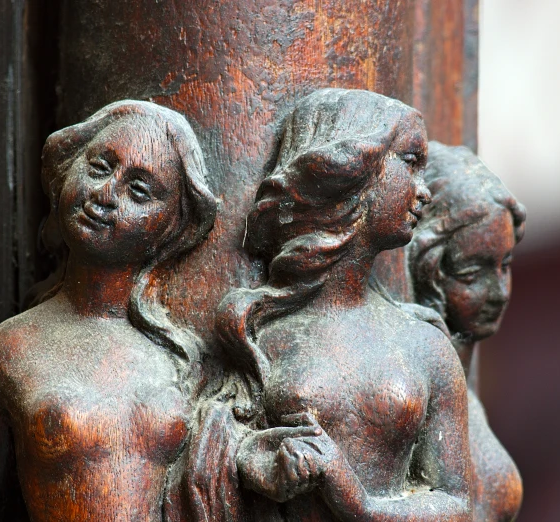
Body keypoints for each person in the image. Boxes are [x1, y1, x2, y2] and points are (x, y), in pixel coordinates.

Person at [166, 88, 472, 522]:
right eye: (410, 162)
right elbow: (204, 445)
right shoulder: (254, 332)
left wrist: (362, 507)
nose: (423, 192)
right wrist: (251, 459)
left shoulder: (425, 346)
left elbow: (459, 505)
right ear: (353, 164)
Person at [0, 100, 217, 521]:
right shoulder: (11, 350)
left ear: (171, 224)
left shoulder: (183, 359)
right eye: (98, 167)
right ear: (66, 172)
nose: (106, 195)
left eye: (139, 190)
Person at [407, 141, 526, 521]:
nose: (499, 293)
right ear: (429, 272)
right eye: (473, 275)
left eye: (505, 265)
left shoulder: (466, 394)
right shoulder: (410, 391)